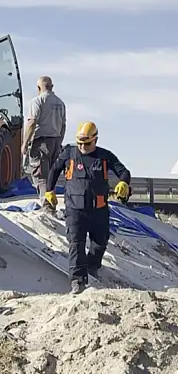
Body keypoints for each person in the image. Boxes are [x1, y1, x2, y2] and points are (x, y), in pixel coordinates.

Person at [45, 121, 131, 295]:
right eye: (80, 143)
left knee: (100, 242)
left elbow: (124, 172)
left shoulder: (105, 156)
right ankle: (77, 281)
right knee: (76, 244)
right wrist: (49, 190)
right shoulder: (69, 154)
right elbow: (54, 170)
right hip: (74, 209)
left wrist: (123, 182)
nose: (83, 147)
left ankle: (92, 265)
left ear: (95, 140)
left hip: (99, 209)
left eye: (87, 143)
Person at [22, 76, 66, 208]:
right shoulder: (60, 103)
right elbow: (63, 125)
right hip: (56, 141)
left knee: (41, 175)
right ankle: (51, 202)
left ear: (38, 88)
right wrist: (59, 142)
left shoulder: (38, 101)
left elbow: (32, 122)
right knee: (52, 175)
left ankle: (46, 205)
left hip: (41, 142)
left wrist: (25, 142)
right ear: (52, 87)